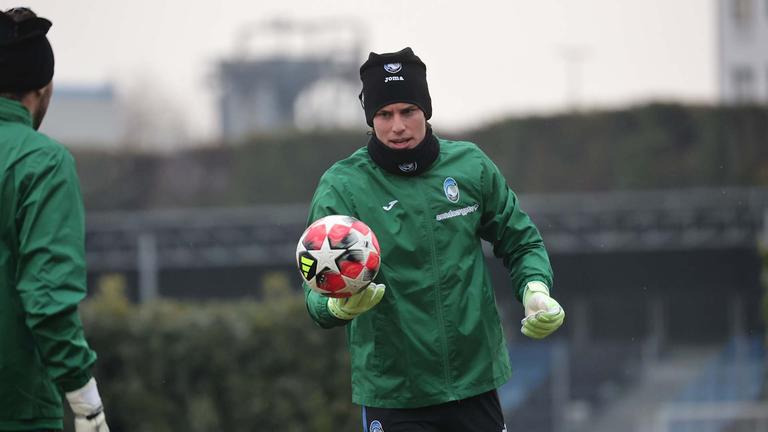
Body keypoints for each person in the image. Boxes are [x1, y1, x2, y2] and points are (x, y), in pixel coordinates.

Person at [302, 47, 565, 432]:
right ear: (370, 119)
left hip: (476, 383)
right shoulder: (343, 186)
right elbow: (314, 286)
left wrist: (535, 289)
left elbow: (520, 241)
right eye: (384, 114)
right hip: (394, 394)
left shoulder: (470, 166)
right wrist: (337, 307)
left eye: (407, 110)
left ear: (425, 109)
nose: (397, 126)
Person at [0, 7, 110, 432]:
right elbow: (46, 301)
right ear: (43, 89)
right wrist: (86, 404)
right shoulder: (42, 162)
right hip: (17, 410)